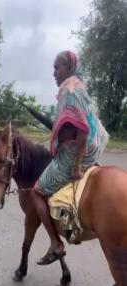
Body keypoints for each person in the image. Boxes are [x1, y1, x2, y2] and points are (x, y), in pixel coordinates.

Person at [31, 51, 108, 265]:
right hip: (93, 150)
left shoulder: (70, 91)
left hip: (75, 153)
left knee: (36, 192)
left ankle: (56, 244)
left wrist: (75, 165)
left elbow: (82, 129)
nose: (54, 73)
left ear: (69, 68)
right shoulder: (79, 86)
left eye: (57, 68)